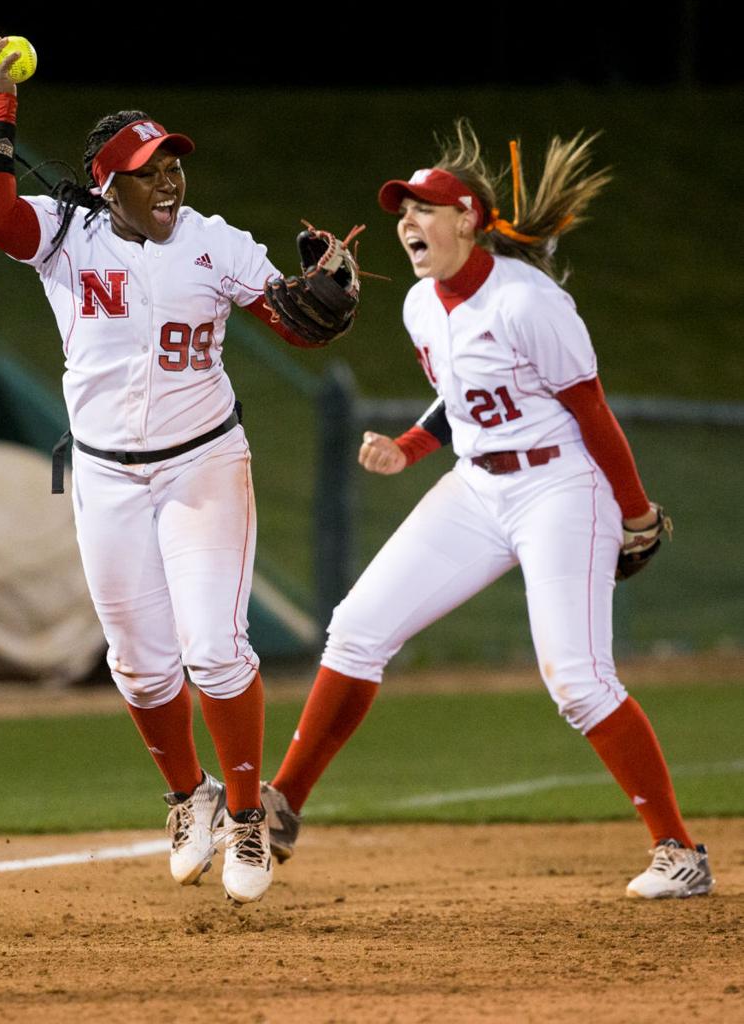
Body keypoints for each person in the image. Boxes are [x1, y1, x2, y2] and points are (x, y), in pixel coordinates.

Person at [260, 121, 713, 899]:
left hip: (561, 485)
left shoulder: (529, 301)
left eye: (424, 209)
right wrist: (409, 446)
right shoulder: (417, 307)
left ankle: (679, 850)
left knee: (577, 680)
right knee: (358, 627)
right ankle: (279, 809)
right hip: (478, 486)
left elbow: (593, 413)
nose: (407, 222)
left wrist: (635, 513)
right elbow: (460, 397)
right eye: (401, 211)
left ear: (469, 218)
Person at [0, 38, 355, 903]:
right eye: (147, 169)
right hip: (104, 476)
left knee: (214, 650)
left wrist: (325, 293)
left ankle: (249, 816)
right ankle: (190, 799)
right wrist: (0, 105)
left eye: (172, 161)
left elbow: (292, 319)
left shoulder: (215, 245)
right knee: (140, 666)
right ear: (110, 186)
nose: (169, 179)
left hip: (202, 466)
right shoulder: (67, 237)